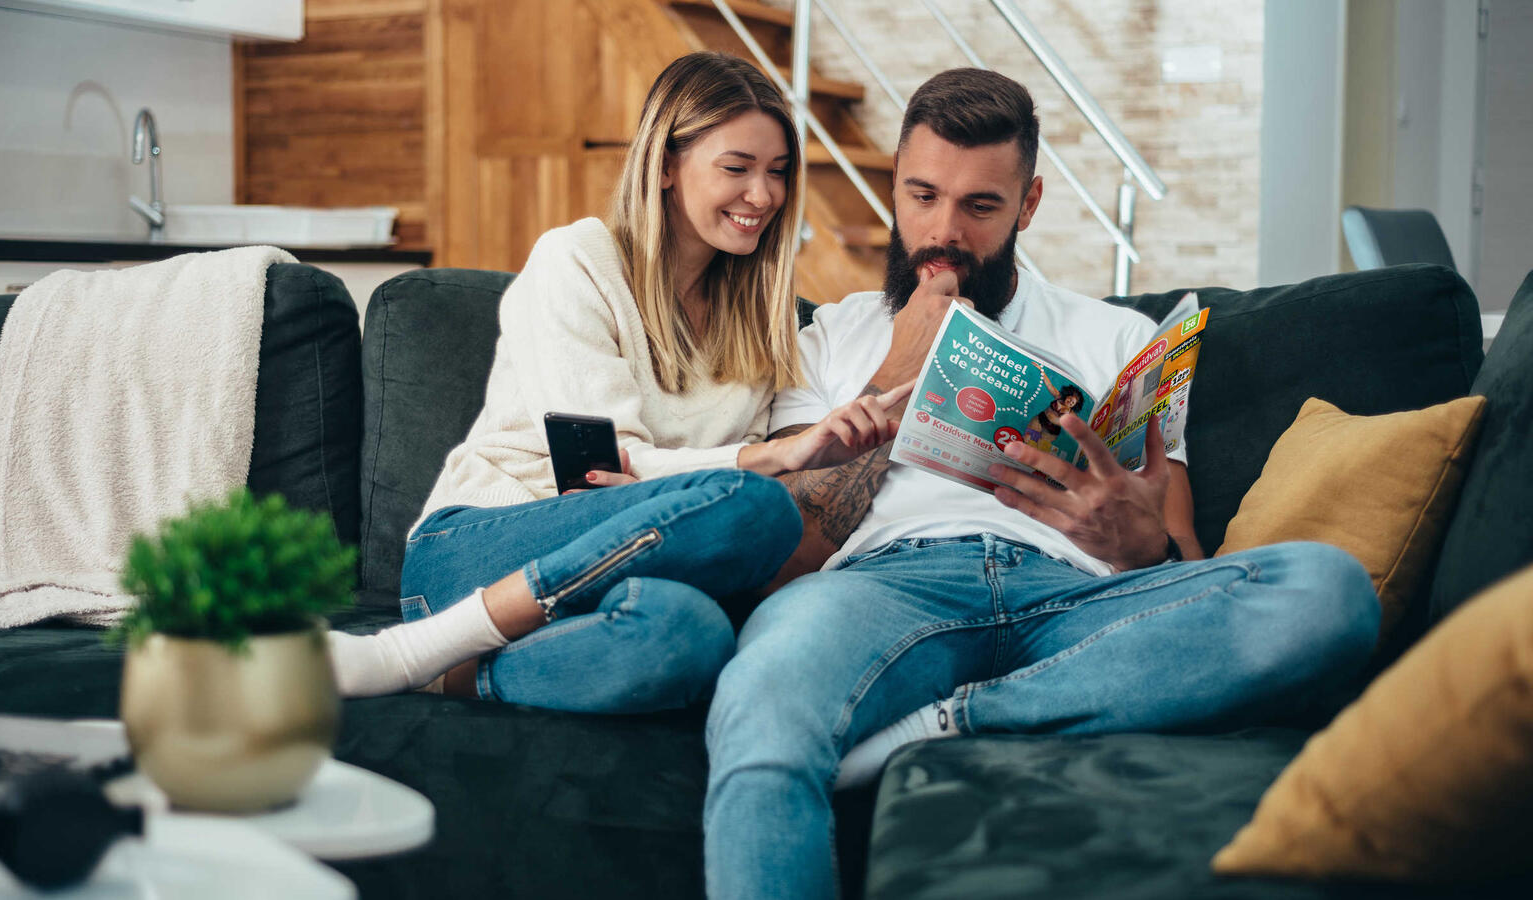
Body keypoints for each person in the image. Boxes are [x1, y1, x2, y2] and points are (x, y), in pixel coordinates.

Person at [702, 68, 1380, 899]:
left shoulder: (1119, 337)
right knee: (761, 701)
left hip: (1079, 604)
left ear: (1027, 206)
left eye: (980, 207)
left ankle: (952, 723)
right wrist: (898, 370)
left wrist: (1139, 545)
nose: (943, 232)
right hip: (883, 594)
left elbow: (1183, 565)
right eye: (921, 196)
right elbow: (784, 557)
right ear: (893, 190)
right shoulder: (824, 341)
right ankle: (965, 713)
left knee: (1329, 590)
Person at [327, 51, 906, 712]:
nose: (764, 196)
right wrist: (768, 458)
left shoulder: (763, 320)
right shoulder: (578, 260)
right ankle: (411, 648)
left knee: (688, 634)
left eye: (777, 173)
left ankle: (454, 674)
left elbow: (662, 499)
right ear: (664, 165)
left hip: (623, 568)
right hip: (480, 552)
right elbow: (599, 473)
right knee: (760, 505)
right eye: (736, 169)